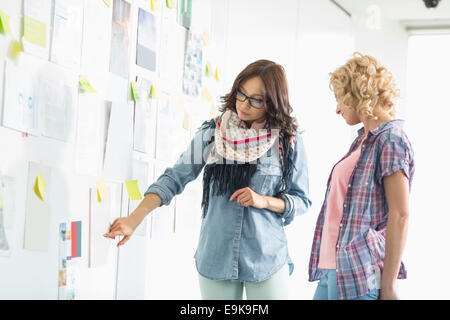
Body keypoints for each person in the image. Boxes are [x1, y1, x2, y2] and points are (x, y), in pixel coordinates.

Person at [104, 59, 312, 300]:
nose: (244, 104)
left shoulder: (287, 142)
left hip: (266, 258)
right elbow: (174, 177)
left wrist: (265, 201)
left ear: (273, 103)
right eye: (241, 94)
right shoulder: (213, 134)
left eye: (256, 100)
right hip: (216, 255)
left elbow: (301, 199)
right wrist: (134, 218)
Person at [308, 52, 415, 300]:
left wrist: (388, 286)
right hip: (331, 268)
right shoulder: (362, 141)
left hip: (357, 273)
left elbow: (400, 215)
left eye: (339, 99)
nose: (337, 109)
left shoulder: (391, 139)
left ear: (359, 92)